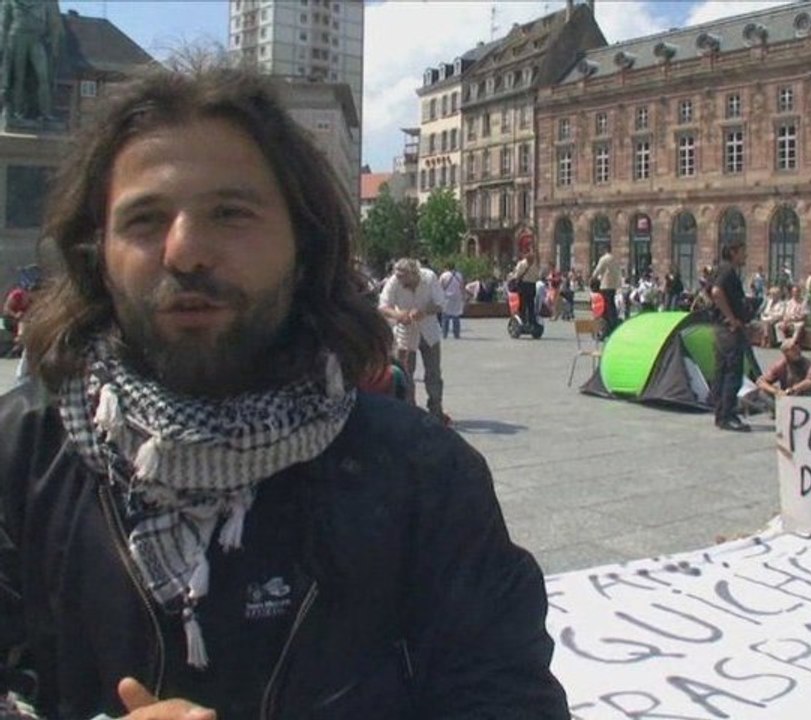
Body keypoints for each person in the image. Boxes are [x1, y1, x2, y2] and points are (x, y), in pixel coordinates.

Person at [0, 68, 566, 719]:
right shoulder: (19, 457)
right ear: (96, 251)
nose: (185, 253)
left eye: (230, 214)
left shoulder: (424, 477)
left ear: (304, 243)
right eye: (145, 219)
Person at [379, 257, 448, 422]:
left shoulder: (429, 278)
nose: (400, 281)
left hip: (429, 332)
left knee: (433, 372)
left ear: (414, 274)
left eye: (404, 278)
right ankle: (409, 410)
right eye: (398, 276)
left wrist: (424, 311)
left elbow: (440, 304)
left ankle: (436, 410)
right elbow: (383, 306)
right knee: (406, 373)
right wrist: (398, 315)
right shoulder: (394, 281)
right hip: (406, 332)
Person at [710, 239, 753, 432]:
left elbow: (709, 293)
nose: (745, 255)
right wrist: (731, 318)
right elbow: (716, 291)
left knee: (722, 371)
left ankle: (721, 413)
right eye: (743, 251)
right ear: (734, 252)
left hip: (720, 327)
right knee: (732, 372)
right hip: (729, 329)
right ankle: (727, 414)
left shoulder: (720, 269)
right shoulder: (727, 271)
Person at [756, 335, 811, 406]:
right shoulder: (780, 365)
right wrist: (776, 391)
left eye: (798, 348)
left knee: (809, 390)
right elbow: (760, 382)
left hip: (803, 395)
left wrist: (794, 389)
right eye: (793, 349)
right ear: (785, 352)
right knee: (762, 392)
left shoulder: (808, 363)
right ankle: (777, 409)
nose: (797, 350)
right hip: (786, 396)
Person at [590, 243, 621, 334]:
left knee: (606, 306)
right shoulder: (614, 259)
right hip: (613, 285)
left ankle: (607, 324)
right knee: (612, 305)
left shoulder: (604, 259)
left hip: (605, 285)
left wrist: (592, 278)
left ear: (604, 249)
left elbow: (598, 270)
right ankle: (613, 322)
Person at [438, 260, 465, 340]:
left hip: (446, 297)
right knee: (456, 316)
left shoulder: (444, 275)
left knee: (445, 316)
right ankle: (456, 334)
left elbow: (440, 286)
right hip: (457, 297)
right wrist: (463, 297)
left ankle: (445, 334)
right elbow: (462, 286)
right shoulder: (459, 275)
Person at [511, 251, 537, 327]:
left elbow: (517, 275)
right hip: (532, 285)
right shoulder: (534, 265)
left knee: (523, 304)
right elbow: (537, 276)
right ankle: (532, 321)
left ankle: (523, 320)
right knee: (531, 304)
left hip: (524, 285)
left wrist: (513, 278)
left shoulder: (521, 264)